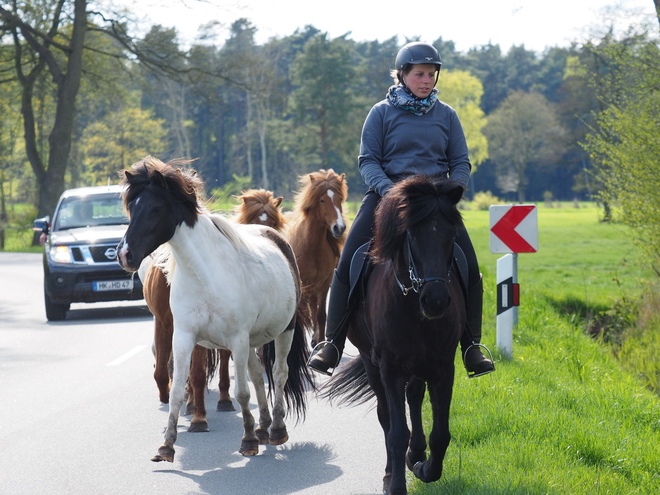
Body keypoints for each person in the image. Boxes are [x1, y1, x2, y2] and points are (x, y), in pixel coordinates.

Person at [307, 42, 495, 378]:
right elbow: (369, 161)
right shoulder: (380, 112)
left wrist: (453, 189)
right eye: (420, 74)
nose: (426, 80)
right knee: (350, 260)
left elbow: (460, 161)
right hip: (386, 198)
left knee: (468, 265)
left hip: (435, 203)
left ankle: (471, 347)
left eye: (431, 74)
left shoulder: (447, 115)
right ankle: (332, 343)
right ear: (403, 75)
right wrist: (391, 192)